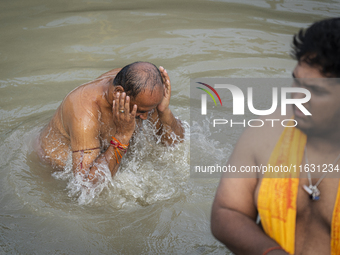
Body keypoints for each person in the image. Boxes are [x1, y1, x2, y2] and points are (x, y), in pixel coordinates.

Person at [211, 18, 340, 255]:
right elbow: (227, 211)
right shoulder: (269, 127)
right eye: (297, 81)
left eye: (317, 90)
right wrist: (270, 252)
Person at [36, 61, 184, 184]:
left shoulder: (139, 92)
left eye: (149, 110)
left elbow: (175, 143)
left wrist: (164, 111)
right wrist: (122, 136)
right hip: (54, 169)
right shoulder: (84, 114)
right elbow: (85, 185)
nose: (145, 117)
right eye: (140, 111)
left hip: (101, 151)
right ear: (118, 93)